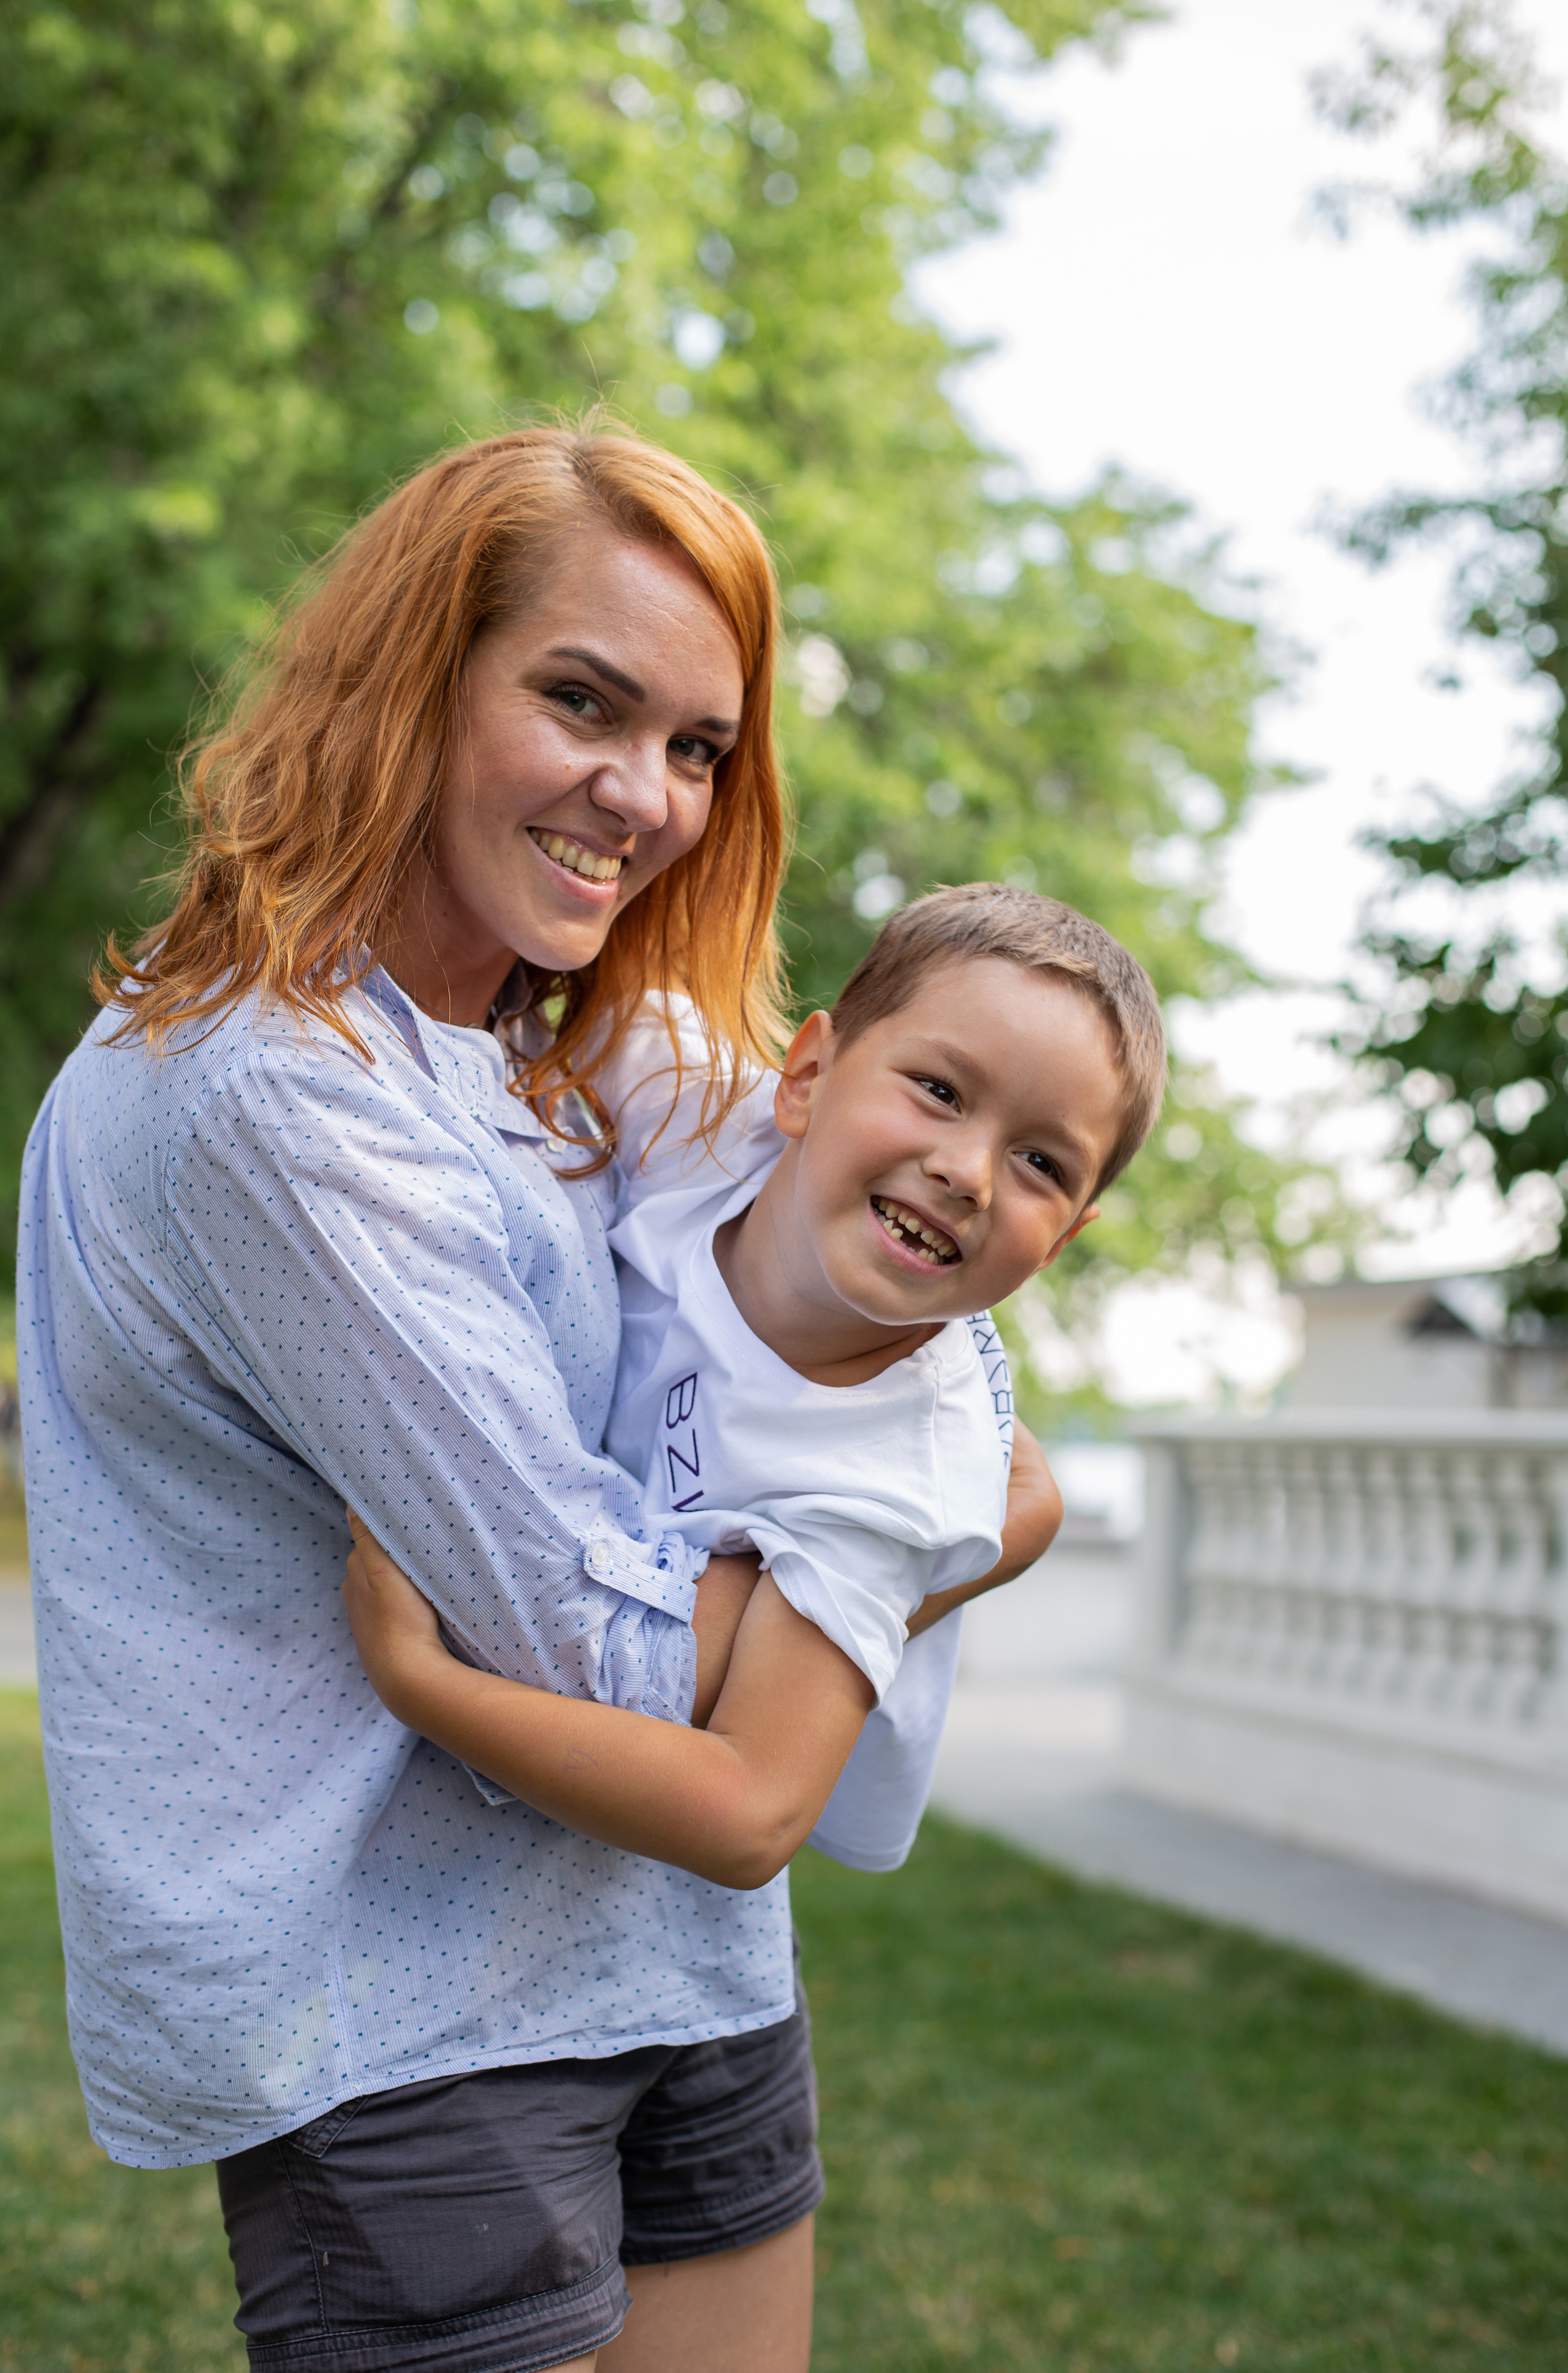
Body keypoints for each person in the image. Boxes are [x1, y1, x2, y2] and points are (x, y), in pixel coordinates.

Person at [16, 423, 1061, 2373]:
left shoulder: (549, 1056)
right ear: (416, 677)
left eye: (696, 749)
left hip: (673, 1954)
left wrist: (931, 1518)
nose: (644, 797)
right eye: (582, 701)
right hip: (405, 2021)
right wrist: (932, 1547)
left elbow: (926, 1371)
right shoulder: (272, 1095)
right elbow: (592, 1646)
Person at [342, 885, 1166, 1889]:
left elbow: (749, 1812)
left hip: (676, 1769)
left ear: (1060, 1246)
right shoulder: (696, 1110)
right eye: (942, 1091)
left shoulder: (895, 1481)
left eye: (1041, 1162)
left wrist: (419, 1681)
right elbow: (556, 966)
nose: (968, 1172)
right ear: (808, 1075)